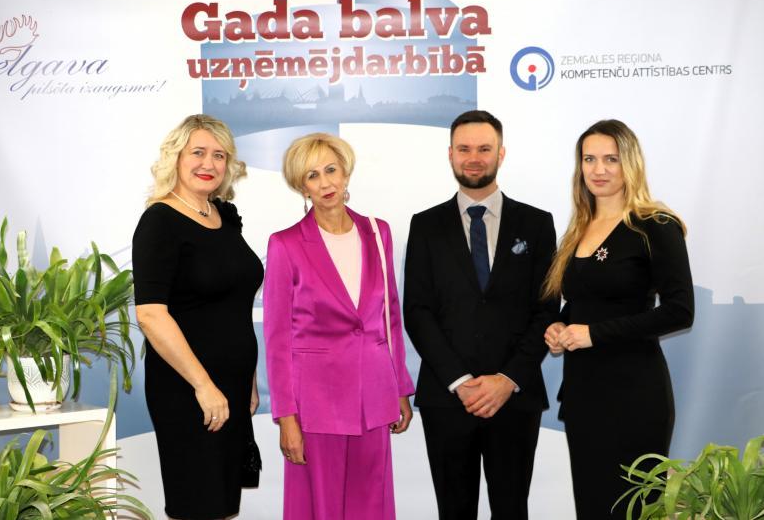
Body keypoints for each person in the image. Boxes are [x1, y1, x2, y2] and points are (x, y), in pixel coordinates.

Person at [403, 110, 558, 520]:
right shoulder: (425, 225)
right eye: (465, 149)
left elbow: (547, 309)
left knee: (512, 509)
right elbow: (417, 311)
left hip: (515, 396)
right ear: (450, 154)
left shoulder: (537, 223)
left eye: (484, 149)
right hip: (447, 397)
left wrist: (507, 379)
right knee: (454, 511)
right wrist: (461, 382)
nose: (474, 158)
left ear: (501, 154)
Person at [542, 119, 694, 519]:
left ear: (630, 163)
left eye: (611, 159)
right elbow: (585, 303)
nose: (599, 169)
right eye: (589, 159)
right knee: (592, 508)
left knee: (633, 511)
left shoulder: (655, 225)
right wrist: (560, 326)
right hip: (582, 395)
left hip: (634, 396)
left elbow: (680, 310)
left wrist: (595, 334)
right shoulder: (579, 228)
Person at [263, 132, 415, 520]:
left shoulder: (378, 232)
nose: (325, 183)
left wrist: (400, 388)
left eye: (331, 170)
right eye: (312, 175)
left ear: (346, 172)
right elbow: (277, 340)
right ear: (302, 186)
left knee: (372, 508)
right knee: (320, 509)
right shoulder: (285, 244)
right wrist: (286, 417)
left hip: (374, 397)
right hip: (315, 406)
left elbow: (390, 317)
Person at [132, 114, 263, 520]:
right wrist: (204, 386)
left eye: (219, 155)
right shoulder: (160, 221)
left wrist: (249, 380)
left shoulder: (224, 216)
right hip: (188, 388)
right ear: (176, 157)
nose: (209, 163)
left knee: (221, 504)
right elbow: (150, 314)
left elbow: (234, 306)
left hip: (232, 387)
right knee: (198, 504)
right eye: (198, 153)